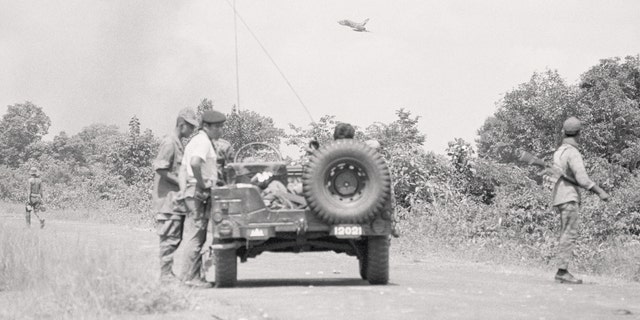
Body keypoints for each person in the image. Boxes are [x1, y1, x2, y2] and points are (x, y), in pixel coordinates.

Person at [551, 117, 609, 284]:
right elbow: (582, 179)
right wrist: (600, 191)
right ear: (579, 134)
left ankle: (562, 270)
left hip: (559, 196)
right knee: (569, 234)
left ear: (564, 132)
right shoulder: (572, 152)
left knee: (565, 233)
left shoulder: (559, 152)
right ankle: (562, 271)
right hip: (569, 197)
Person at [179, 109, 226, 288]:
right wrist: (202, 184)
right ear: (206, 126)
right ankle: (189, 278)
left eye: (222, 127)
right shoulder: (204, 142)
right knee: (196, 236)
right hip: (199, 192)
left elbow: (184, 168)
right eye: (217, 127)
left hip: (192, 191)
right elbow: (194, 163)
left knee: (196, 234)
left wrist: (185, 191)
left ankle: (192, 277)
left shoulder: (194, 141)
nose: (220, 131)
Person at [152, 108, 198, 283]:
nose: (192, 131)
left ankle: (167, 274)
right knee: (169, 239)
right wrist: (182, 183)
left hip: (174, 202)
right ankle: (165, 276)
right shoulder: (170, 143)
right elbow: (161, 169)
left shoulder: (178, 143)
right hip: (167, 202)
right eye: (190, 127)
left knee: (175, 238)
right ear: (181, 124)